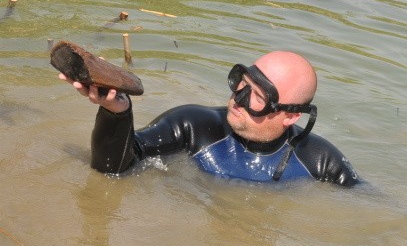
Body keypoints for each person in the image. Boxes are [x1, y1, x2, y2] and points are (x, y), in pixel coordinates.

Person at [59, 50, 359, 187]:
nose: (237, 99)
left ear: (291, 115)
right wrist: (117, 114)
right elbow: (112, 170)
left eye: (258, 95)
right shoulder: (193, 125)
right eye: (243, 82)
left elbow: (373, 216)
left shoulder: (321, 161)